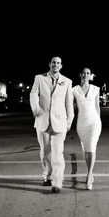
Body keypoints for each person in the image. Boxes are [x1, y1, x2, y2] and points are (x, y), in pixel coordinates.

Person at [30, 56, 74, 193]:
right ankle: (47, 176)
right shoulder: (39, 78)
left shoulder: (67, 81)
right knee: (45, 152)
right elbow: (33, 94)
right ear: (49, 64)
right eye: (53, 62)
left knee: (57, 153)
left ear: (61, 66)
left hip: (60, 122)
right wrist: (36, 108)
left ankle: (57, 182)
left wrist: (69, 120)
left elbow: (69, 103)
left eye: (58, 63)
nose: (56, 65)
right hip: (43, 120)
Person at [72, 68, 102, 190]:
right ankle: (91, 171)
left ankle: (89, 175)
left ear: (91, 76)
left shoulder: (96, 89)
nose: (85, 75)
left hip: (94, 122)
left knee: (92, 147)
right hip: (82, 123)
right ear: (80, 75)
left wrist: (99, 120)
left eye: (88, 73)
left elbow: (97, 106)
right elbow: (69, 105)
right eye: (83, 73)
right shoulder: (74, 90)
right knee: (85, 149)